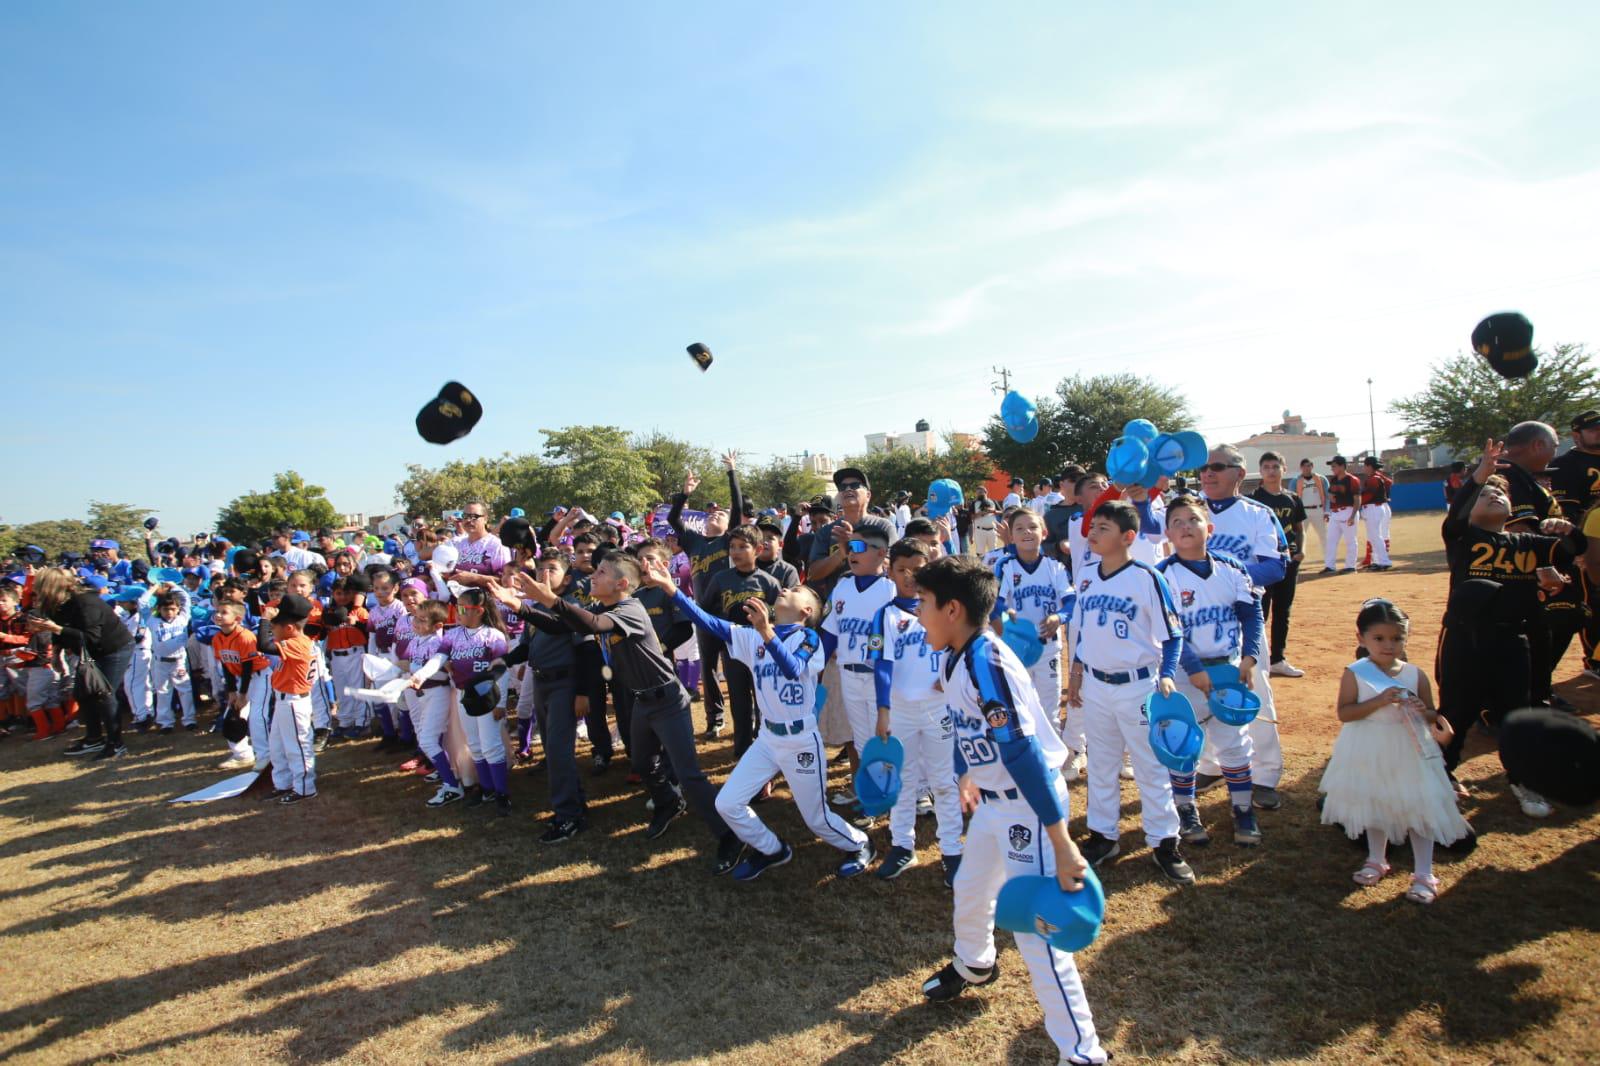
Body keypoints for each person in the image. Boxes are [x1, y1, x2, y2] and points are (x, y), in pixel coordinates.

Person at [914, 556, 1106, 1066]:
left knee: (1038, 936)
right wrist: (965, 770)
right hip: (998, 804)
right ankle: (975, 964)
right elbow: (966, 722)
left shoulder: (986, 661)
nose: (917, 613)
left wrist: (1062, 842)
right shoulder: (956, 653)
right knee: (971, 888)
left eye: (924, 603)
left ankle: (1083, 1053)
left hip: (1030, 806)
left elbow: (1022, 753)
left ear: (952, 609)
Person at [512, 553, 745, 874]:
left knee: (689, 775)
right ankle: (668, 802)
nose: (592, 576)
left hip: (667, 700)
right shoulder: (604, 607)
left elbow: (589, 624)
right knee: (641, 763)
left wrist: (549, 598)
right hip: (642, 701)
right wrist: (521, 607)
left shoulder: (629, 609)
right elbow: (563, 625)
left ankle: (730, 836)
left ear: (621, 584)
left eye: (602, 572)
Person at [644, 560, 873, 880]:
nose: (784, 589)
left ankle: (860, 843)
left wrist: (766, 632)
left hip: (801, 739)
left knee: (816, 819)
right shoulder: (755, 637)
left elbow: (793, 668)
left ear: (807, 611)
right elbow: (710, 623)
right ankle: (772, 849)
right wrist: (671, 589)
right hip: (768, 738)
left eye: (794, 590)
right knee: (728, 803)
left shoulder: (810, 638)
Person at [1439, 439, 1571, 816]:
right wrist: (1479, 477)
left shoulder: (1524, 543)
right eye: (1486, 495)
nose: (1494, 497)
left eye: (1500, 493)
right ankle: (1443, 773)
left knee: (1516, 712)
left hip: (1512, 638)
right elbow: (1458, 513)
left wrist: (1551, 572)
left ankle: (1522, 779)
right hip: (1465, 637)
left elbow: (1565, 554)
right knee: (1456, 711)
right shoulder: (1462, 538)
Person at [1066, 500, 1192, 884]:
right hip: (1097, 684)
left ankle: (1164, 841)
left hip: (1138, 684)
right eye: (1094, 526)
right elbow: (1084, 631)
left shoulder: (1147, 577)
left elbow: (1173, 635)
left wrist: (1167, 675)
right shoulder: (1086, 575)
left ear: (1128, 537)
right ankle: (1104, 835)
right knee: (1101, 764)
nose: (1094, 532)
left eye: (1104, 527)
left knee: (1150, 767)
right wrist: (1075, 671)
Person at [1321, 599, 1470, 905]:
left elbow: (1431, 713)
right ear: (1361, 638)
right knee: (1375, 802)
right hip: (1367, 745)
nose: (1389, 646)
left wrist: (1421, 709)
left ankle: (1424, 873)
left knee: (1420, 807)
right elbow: (1345, 712)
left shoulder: (1415, 674)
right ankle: (1377, 859)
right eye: (1379, 639)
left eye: (1397, 638)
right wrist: (1379, 701)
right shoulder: (1356, 672)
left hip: (1409, 748)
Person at [1155, 495, 1265, 847]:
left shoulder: (1232, 567)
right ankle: (1186, 810)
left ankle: (1243, 808)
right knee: (1183, 744)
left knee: (1234, 743)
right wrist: (1192, 667)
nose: (1186, 527)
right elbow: (1169, 629)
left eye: (1193, 520)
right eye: (1177, 522)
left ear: (1210, 528)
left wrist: (1249, 656)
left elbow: (1252, 613)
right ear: (1167, 533)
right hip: (1184, 675)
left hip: (1228, 667)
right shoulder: (1162, 575)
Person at [1193, 444, 1289, 810]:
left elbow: (1276, 565)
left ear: (1238, 472)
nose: (1208, 473)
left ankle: (1265, 773)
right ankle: (1212, 763)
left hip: (1241, 617)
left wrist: (1227, 578)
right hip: (1195, 619)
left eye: (1217, 466)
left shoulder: (1257, 513)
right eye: (1204, 467)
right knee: (1200, 690)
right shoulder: (1187, 511)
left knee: (1255, 690)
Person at [869, 538, 963, 883]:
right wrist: (883, 710)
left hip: (939, 708)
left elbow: (960, 645)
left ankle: (952, 850)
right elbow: (881, 664)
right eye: (901, 569)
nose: (909, 576)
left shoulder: (945, 607)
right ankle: (902, 845)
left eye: (917, 569)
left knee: (944, 781)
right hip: (902, 711)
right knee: (904, 779)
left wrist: (948, 675)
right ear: (889, 572)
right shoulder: (886, 616)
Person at [990, 509, 1076, 774]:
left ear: (1044, 533)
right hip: (1015, 650)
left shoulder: (1055, 567)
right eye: (1020, 529)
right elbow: (996, 605)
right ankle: (1024, 761)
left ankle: (1050, 763)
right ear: (1011, 536)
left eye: (1032, 527)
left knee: (1049, 708)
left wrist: (1059, 617)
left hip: (1048, 648)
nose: (1027, 532)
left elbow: (1071, 602)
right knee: (1018, 706)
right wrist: (1005, 614)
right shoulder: (1005, 566)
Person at [415, 586, 512, 814]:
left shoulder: (493, 636)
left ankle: (502, 794)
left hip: (487, 696)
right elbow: (438, 659)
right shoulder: (453, 635)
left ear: (478, 610)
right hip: (463, 695)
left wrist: (500, 703)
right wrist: (420, 675)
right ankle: (486, 788)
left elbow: (502, 671)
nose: (456, 612)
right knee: (475, 746)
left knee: (491, 746)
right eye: (455, 607)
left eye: (462, 608)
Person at [821, 516, 896, 805]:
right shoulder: (842, 587)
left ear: (881, 553)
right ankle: (871, 795)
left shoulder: (890, 590)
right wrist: (811, 667)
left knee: (889, 736)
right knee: (863, 741)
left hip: (881, 677)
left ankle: (910, 792)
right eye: (849, 547)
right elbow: (829, 635)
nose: (851, 553)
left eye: (859, 547)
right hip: (849, 675)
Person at [668, 453, 743, 738]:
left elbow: (736, 506)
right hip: (703, 613)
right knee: (708, 670)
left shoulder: (729, 540)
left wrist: (731, 472)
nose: (715, 514)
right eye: (712, 513)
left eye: (720, 514)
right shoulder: (694, 541)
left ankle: (742, 719)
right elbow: (675, 518)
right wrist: (684, 494)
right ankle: (715, 719)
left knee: (735, 670)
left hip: (729, 613)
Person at [699, 526, 783, 758]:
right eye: (732, 547)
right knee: (738, 699)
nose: (735, 552)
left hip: (762, 651)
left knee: (763, 700)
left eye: (743, 546)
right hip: (733, 649)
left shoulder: (769, 582)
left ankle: (765, 745)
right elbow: (706, 612)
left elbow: (780, 616)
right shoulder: (720, 579)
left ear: (758, 549)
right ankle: (743, 747)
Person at [1249, 451, 1308, 678]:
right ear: (1261, 471)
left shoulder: (1292, 498)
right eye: (1266, 467)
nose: (1271, 471)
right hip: (1263, 565)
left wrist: (1301, 551)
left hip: (1288, 563)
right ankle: (1256, 659)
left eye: (1275, 466)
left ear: (1284, 468)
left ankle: (1278, 659)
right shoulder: (1254, 499)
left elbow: (1299, 529)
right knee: (1259, 612)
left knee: (1283, 612)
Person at [257, 592, 319, 802]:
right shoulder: (296, 640)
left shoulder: (298, 643)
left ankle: (305, 787)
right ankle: (283, 784)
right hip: (285, 701)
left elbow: (263, 645)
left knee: (297, 746)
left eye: (275, 627)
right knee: (278, 747)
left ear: (289, 628)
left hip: (294, 702)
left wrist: (265, 619)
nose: (272, 632)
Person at [405, 600, 464, 807]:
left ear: (438, 625)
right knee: (427, 736)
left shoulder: (439, 642)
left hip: (438, 692)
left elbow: (448, 670)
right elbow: (409, 664)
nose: (416, 623)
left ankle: (452, 786)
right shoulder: (417, 640)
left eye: (423, 620)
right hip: (424, 694)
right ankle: (443, 771)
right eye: (416, 618)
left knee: (428, 739)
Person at [208, 599, 269, 771]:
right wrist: (232, 693)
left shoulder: (245, 636)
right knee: (232, 716)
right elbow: (227, 666)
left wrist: (242, 695)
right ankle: (242, 755)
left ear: (238, 618)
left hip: (260, 677)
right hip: (242, 679)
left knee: (257, 717)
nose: (218, 615)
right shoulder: (218, 638)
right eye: (218, 611)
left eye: (224, 612)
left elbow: (248, 666)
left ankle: (265, 756)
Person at [1322, 456, 1362, 573]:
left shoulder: (1352, 480)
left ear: (1342, 466)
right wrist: (1331, 497)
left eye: (1334, 466)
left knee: (1350, 540)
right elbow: (1329, 493)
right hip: (1335, 513)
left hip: (1348, 511)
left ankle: (1350, 566)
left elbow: (1357, 499)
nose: (1332, 468)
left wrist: (1353, 516)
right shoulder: (1334, 480)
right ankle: (1330, 566)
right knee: (1331, 540)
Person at [1359, 456, 1393, 570]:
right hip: (1374, 508)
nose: (1363, 468)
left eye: (1365, 465)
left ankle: (1384, 561)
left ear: (1369, 466)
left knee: (1376, 536)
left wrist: (1356, 502)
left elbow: (1368, 495)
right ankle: (1378, 561)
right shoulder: (1375, 477)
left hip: (1374, 508)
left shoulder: (1374, 479)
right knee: (1374, 536)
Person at [1292, 458, 1328, 556]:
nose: (1306, 468)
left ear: (1312, 466)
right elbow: (1292, 497)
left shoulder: (1321, 478)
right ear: (1301, 468)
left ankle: (1329, 561)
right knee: (1299, 535)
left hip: (1318, 509)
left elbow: (1327, 495)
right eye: (1304, 466)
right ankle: (1297, 559)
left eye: (1309, 465)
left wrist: (1327, 511)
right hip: (1303, 511)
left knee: (1324, 536)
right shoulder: (1296, 481)